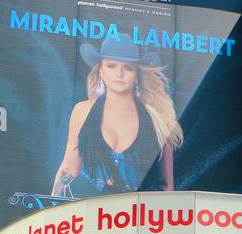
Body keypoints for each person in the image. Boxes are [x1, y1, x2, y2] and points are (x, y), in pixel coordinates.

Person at [51, 36, 183, 198]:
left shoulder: (158, 119)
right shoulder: (82, 111)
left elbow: (167, 185)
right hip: (85, 204)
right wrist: (50, 211)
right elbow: (69, 168)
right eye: (111, 66)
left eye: (128, 68)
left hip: (135, 213)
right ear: (101, 71)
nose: (119, 74)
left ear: (137, 74)